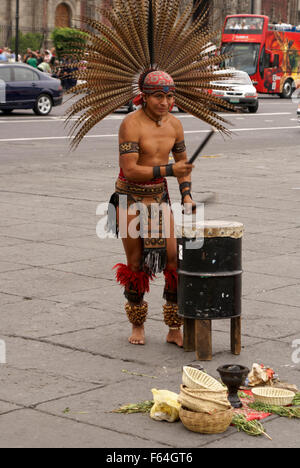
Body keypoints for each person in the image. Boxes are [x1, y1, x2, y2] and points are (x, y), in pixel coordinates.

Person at [66, 0, 233, 348]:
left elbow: (184, 164)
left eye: (170, 96)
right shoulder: (130, 124)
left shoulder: (175, 124)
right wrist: (171, 169)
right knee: (136, 261)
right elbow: (131, 169)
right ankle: (138, 324)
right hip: (128, 197)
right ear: (144, 96)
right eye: (159, 96)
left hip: (159, 199)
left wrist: (186, 193)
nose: (166, 102)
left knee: (173, 258)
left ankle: (172, 326)